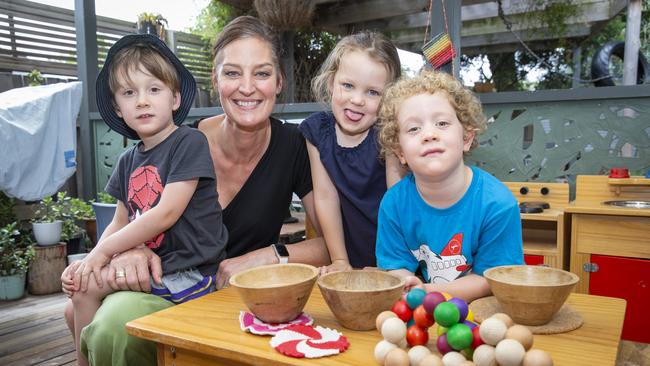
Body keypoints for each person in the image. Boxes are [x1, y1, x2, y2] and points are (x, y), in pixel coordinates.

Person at [61, 16, 329, 366]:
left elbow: (331, 245)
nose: (247, 87)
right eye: (232, 73)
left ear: (280, 82)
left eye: (262, 73)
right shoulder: (172, 139)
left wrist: (267, 256)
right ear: (214, 81)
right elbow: (134, 216)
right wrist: (128, 249)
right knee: (89, 312)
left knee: (111, 321)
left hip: (236, 298)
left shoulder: (295, 145)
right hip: (165, 283)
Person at [61, 33, 228, 366]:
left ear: (175, 98)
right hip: (155, 271)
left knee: (83, 290)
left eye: (154, 89)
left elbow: (166, 213)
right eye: (129, 93)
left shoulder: (188, 143)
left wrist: (102, 254)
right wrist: (92, 257)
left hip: (189, 272)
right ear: (118, 109)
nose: (142, 101)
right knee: (77, 294)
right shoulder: (127, 160)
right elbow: (120, 221)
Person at [375, 70, 524, 302]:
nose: (429, 134)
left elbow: (490, 279)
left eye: (442, 123)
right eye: (414, 129)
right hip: (427, 313)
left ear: (466, 138)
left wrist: (427, 291)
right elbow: (395, 268)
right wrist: (408, 284)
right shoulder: (394, 204)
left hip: (481, 315)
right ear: (400, 152)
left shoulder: (497, 204)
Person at [300, 31, 405, 274]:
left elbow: (396, 200)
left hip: (396, 257)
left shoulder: (388, 133)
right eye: (348, 85)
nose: (357, 100)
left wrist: (391, 265)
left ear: (389, 97)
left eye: (373, 92)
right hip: (348, 256)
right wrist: (339, 261)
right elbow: (325, 197)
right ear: (331, 83)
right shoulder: (317, 132)